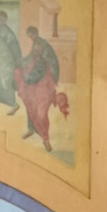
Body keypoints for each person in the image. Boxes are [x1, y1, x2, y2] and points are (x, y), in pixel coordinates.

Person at [14, 24, 68, 152]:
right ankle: (31, 129)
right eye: (29, 36)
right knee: (30, 106)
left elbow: (45, 65)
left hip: (44, 85)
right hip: (35, 85)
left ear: (35, 34)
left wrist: (26, 75)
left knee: (41, 114)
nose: (31, 38)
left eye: (31, 35)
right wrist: (20, 64)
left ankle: (45, 138)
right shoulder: (36, 46)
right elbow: (30, 58)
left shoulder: (43, 49)